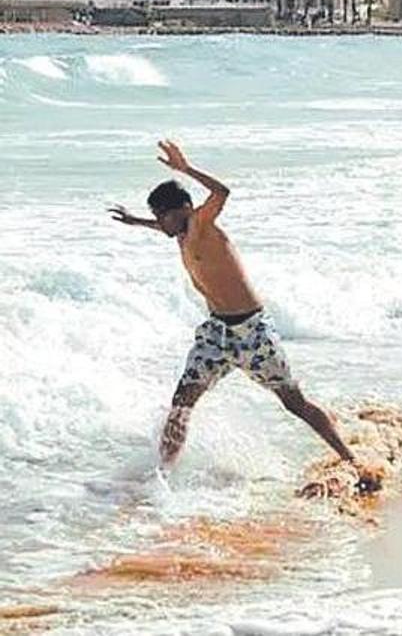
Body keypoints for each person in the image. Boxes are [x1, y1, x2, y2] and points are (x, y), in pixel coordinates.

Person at [108, 140, 380, 493]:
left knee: (294, 402)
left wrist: (185, 169)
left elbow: (223, 191)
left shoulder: (201, 225)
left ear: (186, 210)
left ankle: (351, 459)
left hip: (252, 331)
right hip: (216, 333)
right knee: (182, 401)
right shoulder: (177, 232)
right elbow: (163, 228)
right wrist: (136, 222)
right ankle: (161, 476)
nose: (161, 223)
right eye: (158, 217)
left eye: (165, 215)